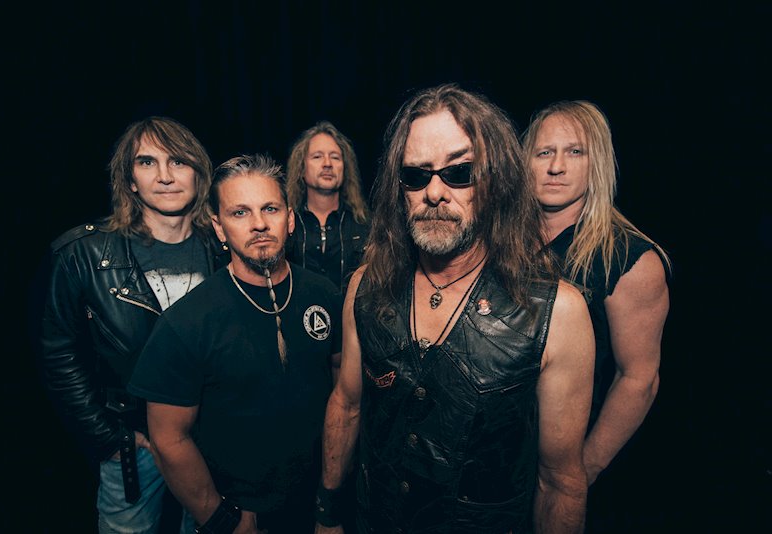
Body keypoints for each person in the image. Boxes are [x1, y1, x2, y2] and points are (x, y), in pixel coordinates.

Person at [315, 83, 596, 534]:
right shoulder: (366, 287)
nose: (434, 192)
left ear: (496, 182)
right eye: (416, 175)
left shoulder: (557, 312)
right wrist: (326, 515)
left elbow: (560, 481)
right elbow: (346, 406)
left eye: (459, 173)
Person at [128, 154, 343, 534]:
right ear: (220, 228)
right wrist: (221, 518)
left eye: (270, 209)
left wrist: (331, 504)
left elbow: (344, 394)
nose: (259, 223)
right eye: (240, 213)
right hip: (244, 513)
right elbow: (167, 437)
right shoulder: (187, 321)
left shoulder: (323, 294)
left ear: (290, 218)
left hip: (317, 506)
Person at [37, 116, 228, 533]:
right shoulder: (83, 254)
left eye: (178, 161)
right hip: (134, 446)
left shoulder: (226, 249)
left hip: (214, 441)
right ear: (129, 180)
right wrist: (108, 439)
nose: (165, 176)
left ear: (199, 173)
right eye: (147, 162)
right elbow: (59, 355)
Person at [522, 101, 671, 531]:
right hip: (496, 468)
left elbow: (639, 379)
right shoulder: (501, 243)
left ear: (597, 163)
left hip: (563, 466)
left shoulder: (630, 259)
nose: (556, 167)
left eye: (575, 152)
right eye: (544, 152)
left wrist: (579, 474)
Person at [285, 120, 370, 294]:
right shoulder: (286, 225)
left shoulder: (366, 225)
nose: (327, 164)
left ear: (345, 169)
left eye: (335, 157)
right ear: (301, 168)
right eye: (317, 156)